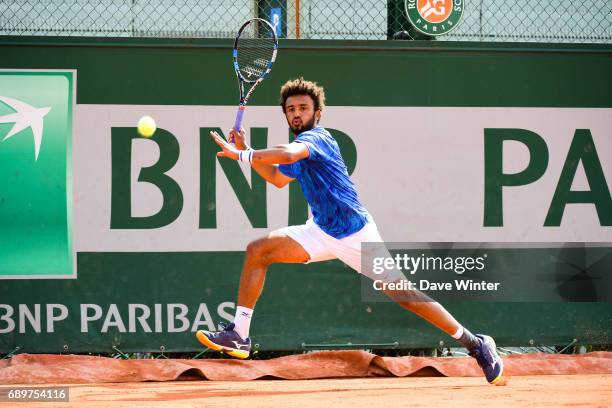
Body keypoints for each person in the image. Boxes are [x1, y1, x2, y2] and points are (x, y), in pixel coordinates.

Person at [197, 78, 504, 384]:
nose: (296, 114)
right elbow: (277, 178)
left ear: (317, 114)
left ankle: (476, 343)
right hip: (319, 231)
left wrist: (242, 155)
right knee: (258, 250)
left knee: (406, 295)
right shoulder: (300, 146)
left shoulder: (319, 138)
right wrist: (248, 150)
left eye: (303, 108)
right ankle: (239, 334)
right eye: (291, 109)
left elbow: (287, 155)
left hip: (357, 234)